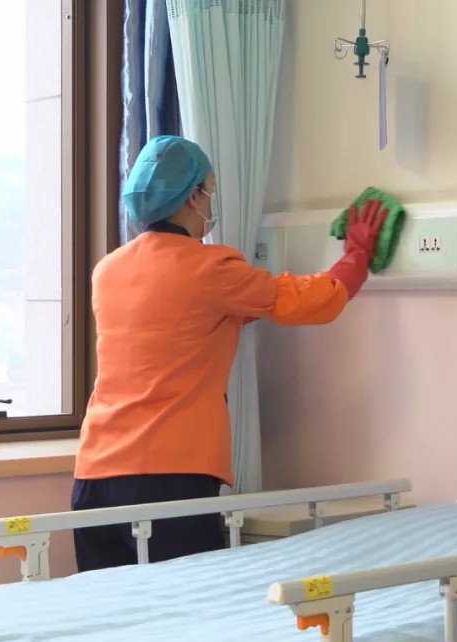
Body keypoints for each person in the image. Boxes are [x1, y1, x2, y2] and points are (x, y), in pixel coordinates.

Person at [71, 135, 388, 572]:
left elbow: (179, 326)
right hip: (167, 477)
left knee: (109, 609)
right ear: (192, 197)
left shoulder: (108, 270)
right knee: (193, 604)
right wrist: (357, 254)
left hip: (93, 476)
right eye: (209, 191)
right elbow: (318, 301)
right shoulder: (211, 268)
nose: (210, 202)